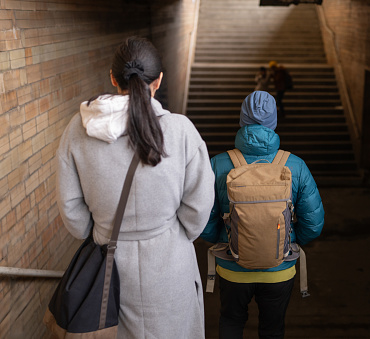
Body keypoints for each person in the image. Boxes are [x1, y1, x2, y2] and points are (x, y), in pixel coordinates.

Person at [56, 36, 215, 339]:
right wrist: (172, 233)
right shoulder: (181, 131)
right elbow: (198, 209)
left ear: (113, 78)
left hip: (110, 271)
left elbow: (73, 213)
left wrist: (104, 229)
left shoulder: (77, 130)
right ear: (159, 82)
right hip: (170, 267)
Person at [200, 91, 324, 339]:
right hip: (280, 269)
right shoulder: (295, 165)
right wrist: (286, 240)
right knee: (272, 328)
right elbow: (313, 224)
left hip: (231, 267)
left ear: (242, 120)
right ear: (274, 121)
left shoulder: (219, 164)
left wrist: (226, 238)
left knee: (231, 321)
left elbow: (202, 220)